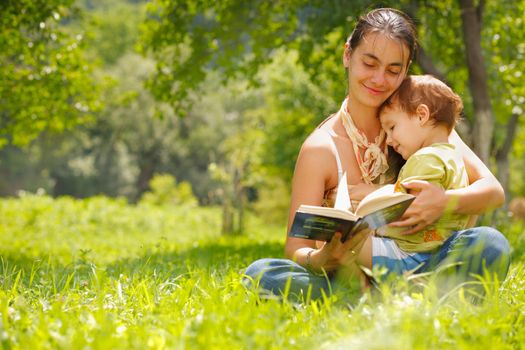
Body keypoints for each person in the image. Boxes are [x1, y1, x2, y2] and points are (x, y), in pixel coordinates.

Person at [243, 8, 510, 300]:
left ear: (406, 71)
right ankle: (412, 299)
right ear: (348, 55)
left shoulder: (423, 118)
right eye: (369, 63)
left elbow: (493, 191)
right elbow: (296, 250)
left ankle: (393, 299)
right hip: (350, 275)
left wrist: (444, 202)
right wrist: (322, 259)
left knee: (490, 243)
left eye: (393, 70)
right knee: (261, 274)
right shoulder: (320, 148)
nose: (379, 79)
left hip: (424, 262)